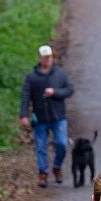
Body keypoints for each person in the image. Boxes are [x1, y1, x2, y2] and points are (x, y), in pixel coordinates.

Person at [20, 45, 75, 188]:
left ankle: (57, 166)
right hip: (40, 117)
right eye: (45, 57)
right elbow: (26, 96)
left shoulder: (60, 74)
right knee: (41, 147)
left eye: (49, 57)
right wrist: (24, 114)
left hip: (58, 116)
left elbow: (69, 90)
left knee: (62, 143)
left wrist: (55, 92)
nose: (48, 60)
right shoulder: (31, 77)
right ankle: (42, 173)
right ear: (40, 58)